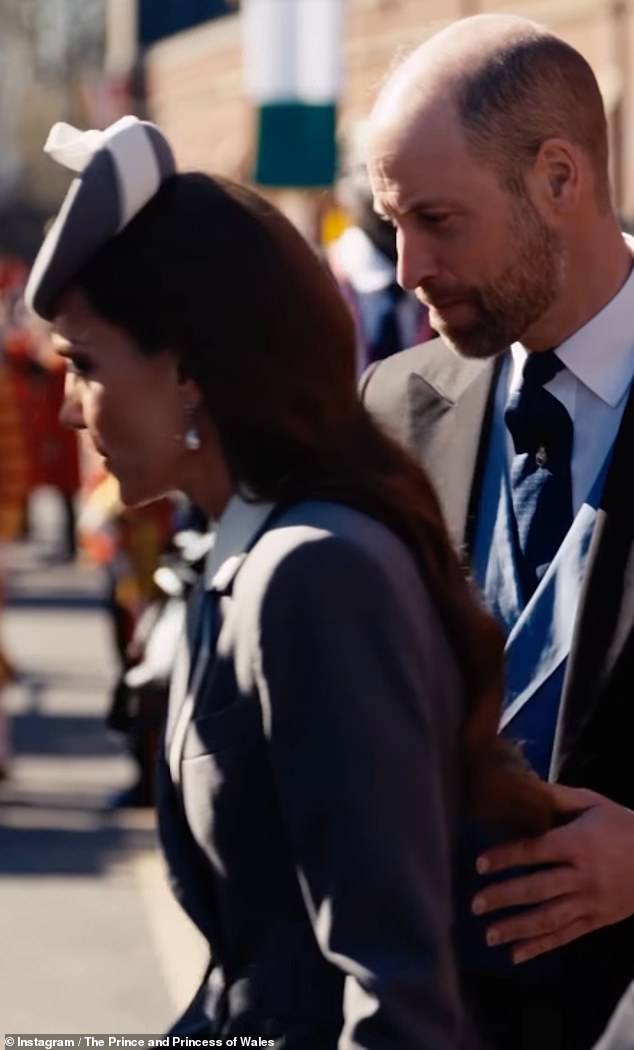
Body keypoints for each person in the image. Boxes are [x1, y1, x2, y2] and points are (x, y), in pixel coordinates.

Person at [25, 115, 552, 1046]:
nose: (68, 407)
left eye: (85, 364)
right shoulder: (251, 555)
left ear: (187, 368)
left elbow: (394, 994)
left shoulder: (314, 571)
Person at [362, 13, 634, 1050]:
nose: (404, 268)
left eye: (436, 219)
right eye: (391, 221)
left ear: (558, 179)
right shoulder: (392, 403)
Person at [327, 122, 432, 375]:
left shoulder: (452, 282)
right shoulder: (312, 279)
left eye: (409, 173)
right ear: (342, 180)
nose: (393, 192)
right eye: (372, 172)